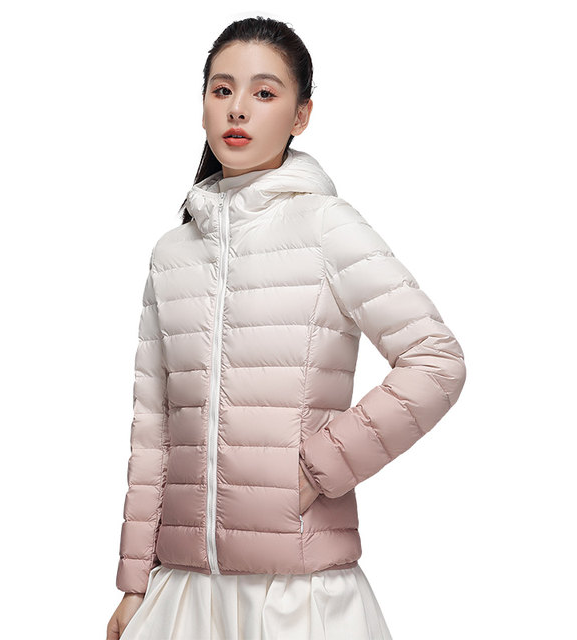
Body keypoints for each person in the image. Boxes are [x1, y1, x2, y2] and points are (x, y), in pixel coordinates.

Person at [106, 16, 466, 640]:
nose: (238, 108)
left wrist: (318, 468)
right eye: (222, 90)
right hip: (185, 589)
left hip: (298, 596)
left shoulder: (327, 226)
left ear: (301, 115)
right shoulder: (171, 254)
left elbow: (436, 360)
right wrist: (135, 583)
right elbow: (152, 428)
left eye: (265, 92)